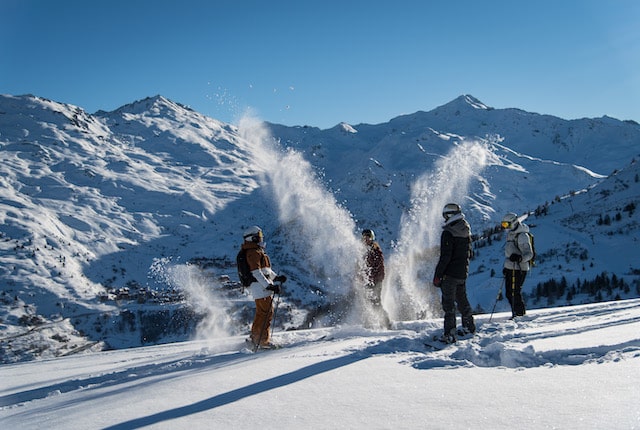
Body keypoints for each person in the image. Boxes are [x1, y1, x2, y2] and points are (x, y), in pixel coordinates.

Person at [432, 203, 476, 343]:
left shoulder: (449, 232)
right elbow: (470, 253)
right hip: (462, 273)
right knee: (462, 301)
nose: (444, 218)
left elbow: (445, 257)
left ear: (449, 215)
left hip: (449, 275)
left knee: (449, 305)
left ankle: (449, 334)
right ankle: (469, 327)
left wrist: (438, 275)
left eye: (445, 215)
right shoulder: (465, 229)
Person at [241, 226, 286, 348]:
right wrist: (269, 286)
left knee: (261, 313)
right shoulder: (253, 252)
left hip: (260, 287)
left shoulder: (257, 251)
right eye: (258, 236)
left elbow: (265, 270)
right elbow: (256, 272)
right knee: (267, 314)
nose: (261, 238)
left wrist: (276, 278)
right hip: (260, 287)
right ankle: (263, 342)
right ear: (253, 238)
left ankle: (255, 338)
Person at [501, 212, 534, 318]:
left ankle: (519, 315)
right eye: (504, 225)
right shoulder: (511, 234)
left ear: (514, 222)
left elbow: (529, 254)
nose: (506, 227)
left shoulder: (522, 235)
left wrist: (520, 258)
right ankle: (515, 313)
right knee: (509, 293)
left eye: (507, 224)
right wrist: (507, 267)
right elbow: (510, 252)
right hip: (511, 267)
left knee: (515, 292)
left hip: (519, 268)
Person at [360, 229, 391, 329]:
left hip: (376, 281)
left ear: (372, 238)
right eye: (364, 237)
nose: (366, 239)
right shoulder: (361, 250)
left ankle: (386, 323)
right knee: (367, 302)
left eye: (368, 237)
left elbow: (380, 267)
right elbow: (359, 266)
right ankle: (368, 325)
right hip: (367, 281)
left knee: (376, 302)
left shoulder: (375, 250)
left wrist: (377, 280)